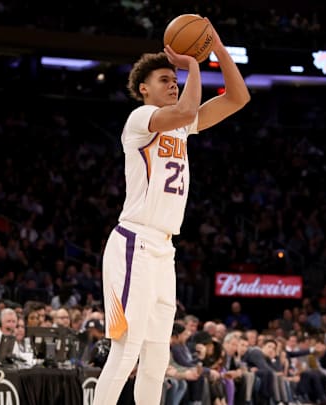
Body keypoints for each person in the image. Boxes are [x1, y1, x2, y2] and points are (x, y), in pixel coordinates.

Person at [92, 17, 250, 405]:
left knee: (157, 355)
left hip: (163, 249)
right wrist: (194, 65)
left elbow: (237, 97)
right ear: (144, 89)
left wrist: (215, 46)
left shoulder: (181, 127)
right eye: (165, 79)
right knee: (127, 350)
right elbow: (182, 111)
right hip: (134, 242)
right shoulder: (141, 119)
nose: (173, 82)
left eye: (173, 77)